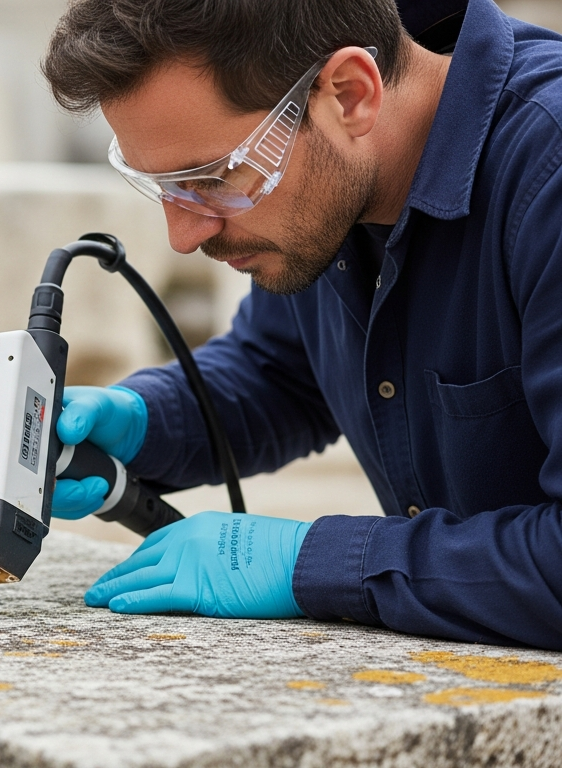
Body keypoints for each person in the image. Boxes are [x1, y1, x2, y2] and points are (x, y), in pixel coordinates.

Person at [41, 0, 562, 650]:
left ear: (348, 95)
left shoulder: (547, 178)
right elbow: (280, 371)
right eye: (164, 187)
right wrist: (142, 423)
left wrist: (318, 562)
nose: (183, 235)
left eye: (212, 177)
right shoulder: (331, 193)